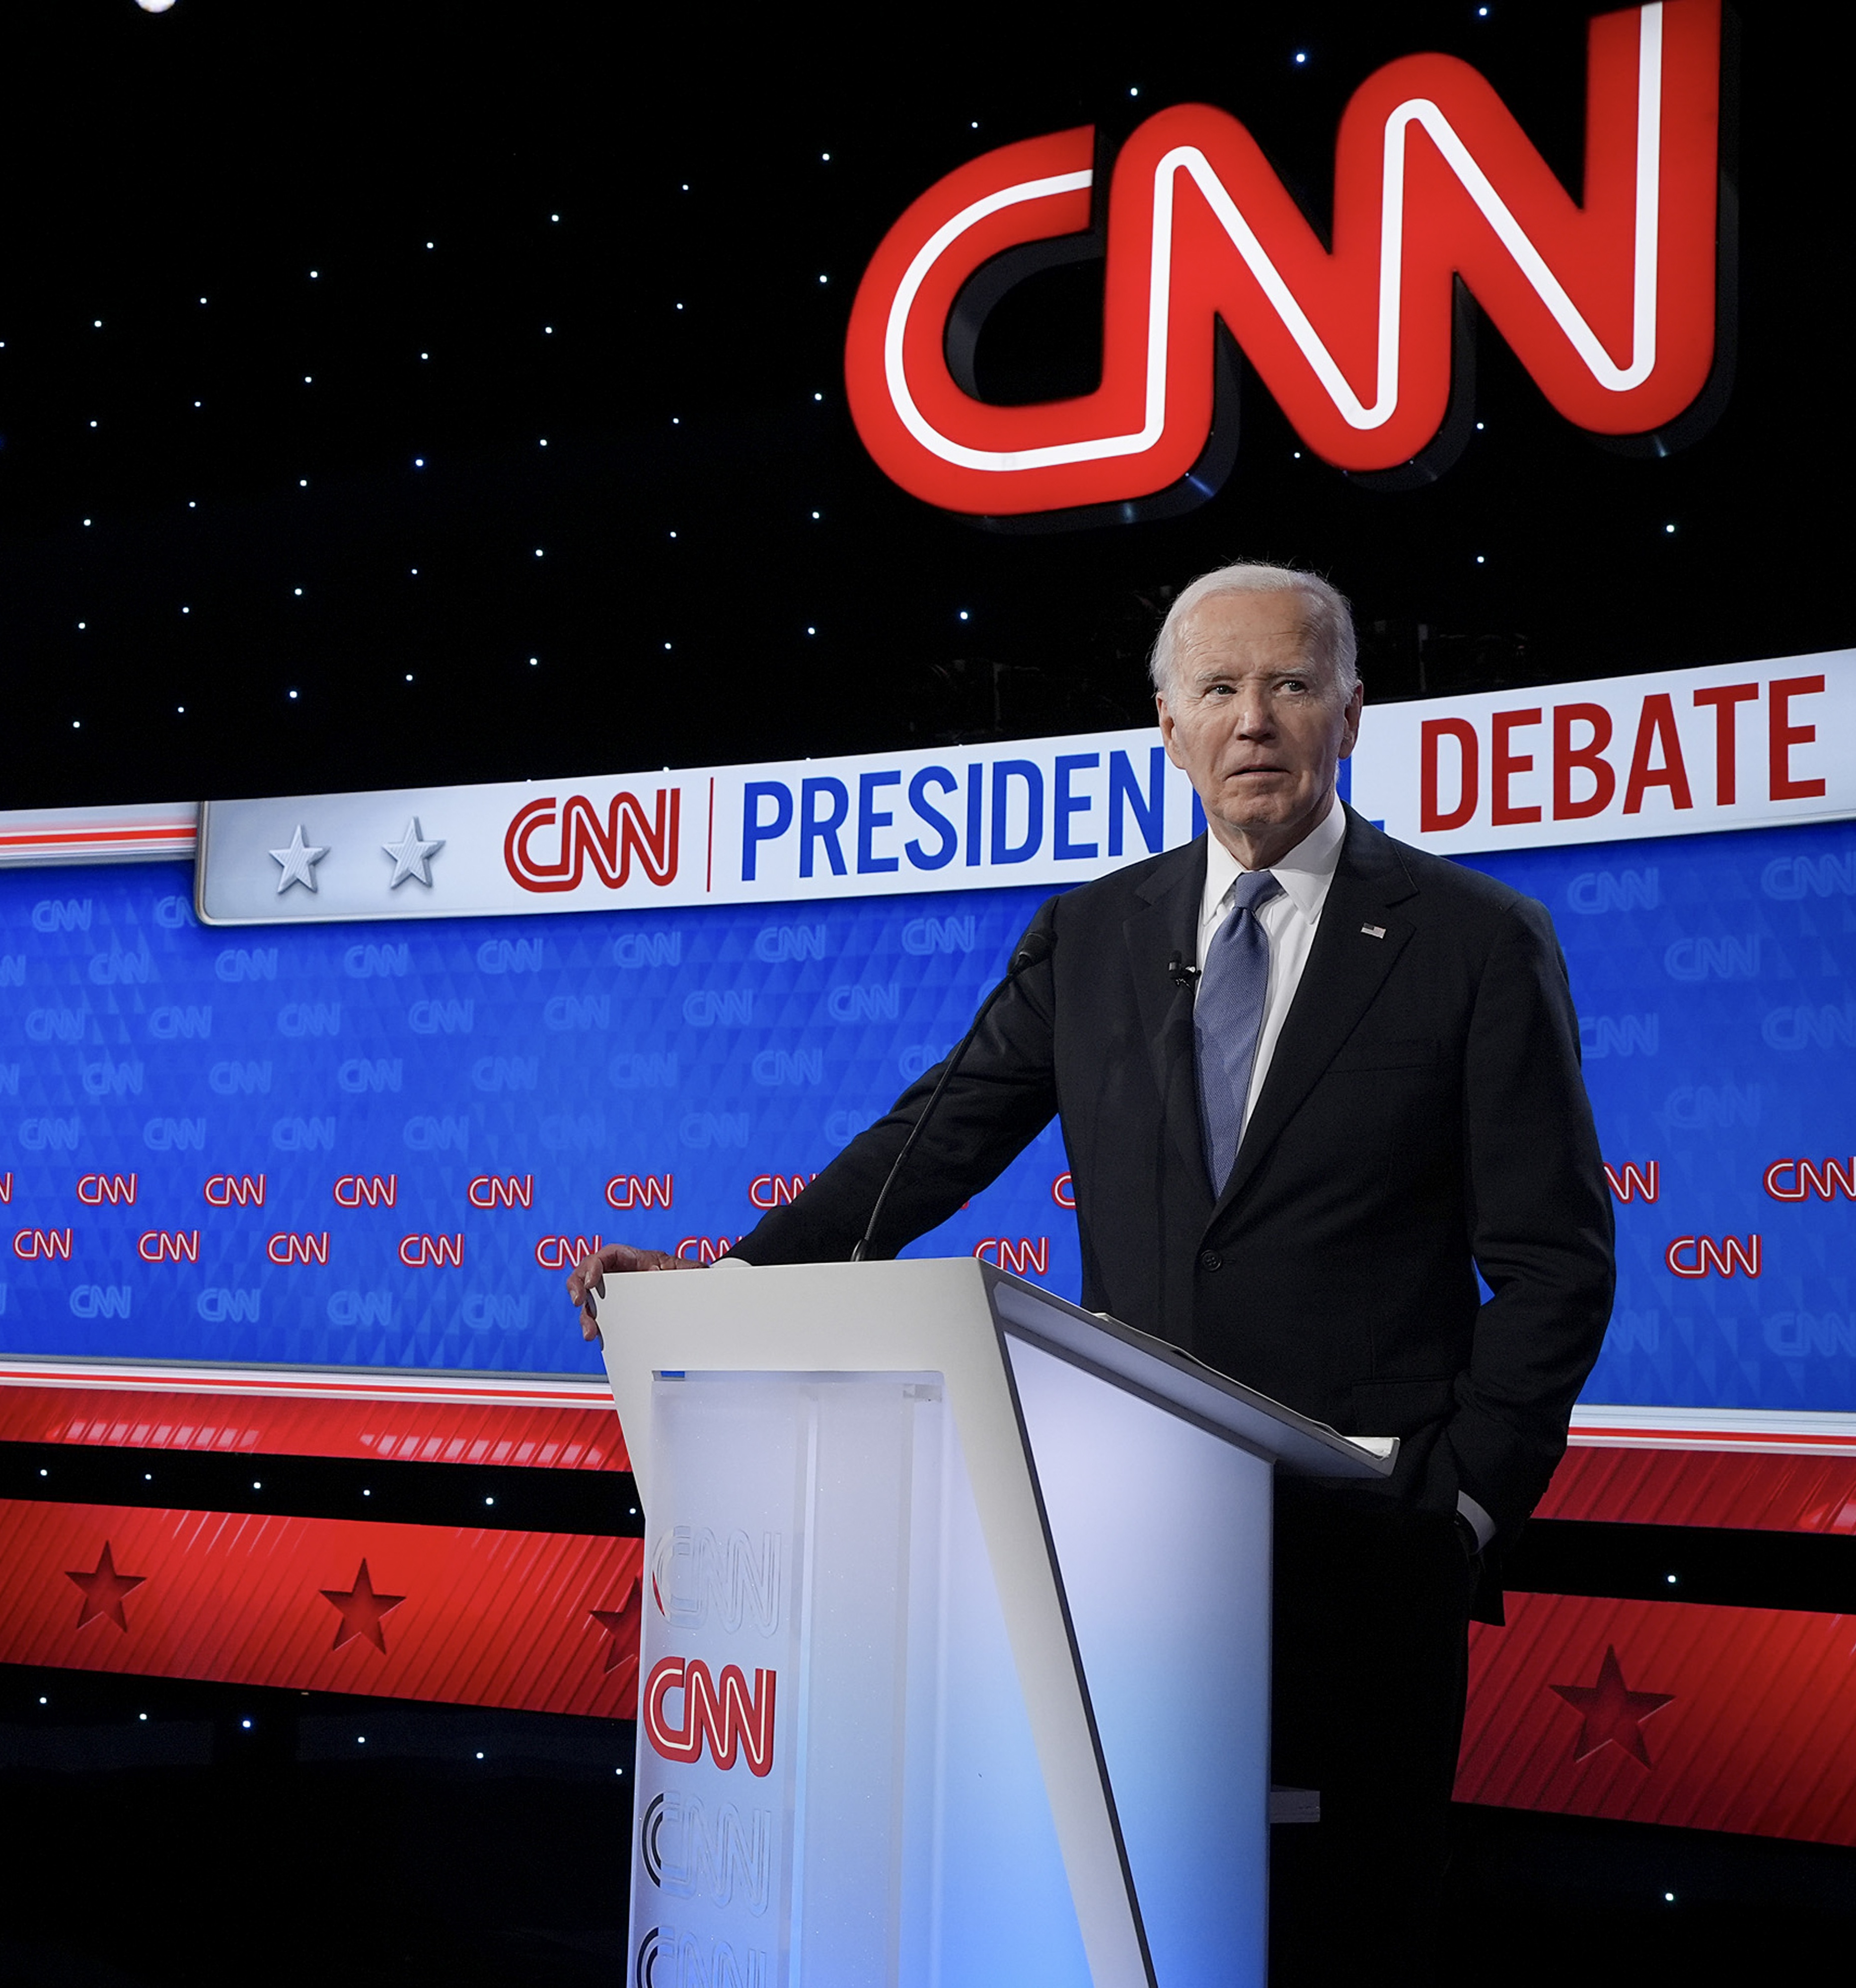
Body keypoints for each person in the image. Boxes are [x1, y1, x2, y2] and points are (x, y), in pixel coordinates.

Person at [568, 563, 1615, 1981]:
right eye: (1221, 691)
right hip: (1131, 1543)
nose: (1257, 720)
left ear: (1353, 712)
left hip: (1371, 1547)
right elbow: (929, 1145)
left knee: (1346, 1928)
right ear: (1168, 728)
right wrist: (733, 1279)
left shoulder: (1476, 940)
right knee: (1133, 1922)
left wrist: (1464, 1506)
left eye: (1293, 684)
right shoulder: (1096, 933)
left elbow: (1556, 1261)